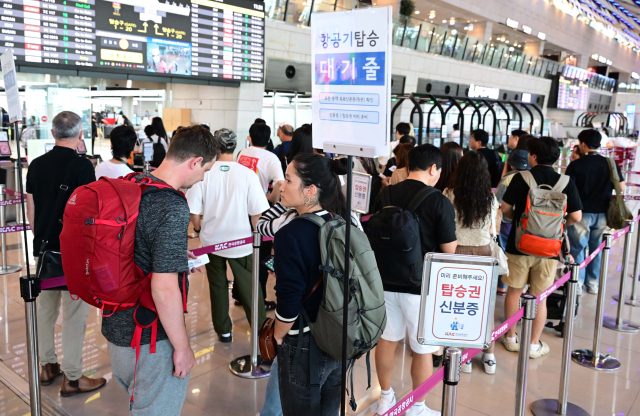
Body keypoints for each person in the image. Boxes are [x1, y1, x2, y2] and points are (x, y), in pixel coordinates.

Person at [102, 125, 221, 414]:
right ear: (194, 162)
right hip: (149, 339)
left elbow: (137, 248)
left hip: (117, 328)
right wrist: (182, 348)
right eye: (205, 170)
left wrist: (177, 259)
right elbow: (164, 288)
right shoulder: (171, 204)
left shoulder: (135, 182)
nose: (202, 177)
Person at [25, 111, 106, 396]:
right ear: (81, 134)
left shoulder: (35, 165)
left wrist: (39, 243)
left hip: (44, 252)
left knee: (45, 312)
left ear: (53, 133)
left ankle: (47, 366)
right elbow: (88, 213)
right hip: (72, 256)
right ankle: (72, 378)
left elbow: (31, 209)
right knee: (74, 316)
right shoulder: (83, 167)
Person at [373, 144, 456, 416]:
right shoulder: (438, 201)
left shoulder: (386, 193)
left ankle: (385, 397)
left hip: (383, 281)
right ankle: (416, 407)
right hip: (421, 287)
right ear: (433, 168)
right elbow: (449, 249)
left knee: (387, 340)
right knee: (423, 350)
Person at [273, 153, 353, 416]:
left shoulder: (290, 234)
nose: (280, 186)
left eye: (288, 180)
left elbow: (289, 299)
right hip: (339, 335)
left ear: (309, 190)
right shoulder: (339, 223)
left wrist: (278, 334)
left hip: (305, 343)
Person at [501, 137, 582, 358]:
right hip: (549, 249)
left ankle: (510, 338)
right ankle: (534, 344)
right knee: (540, 297)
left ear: (534, 156)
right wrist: (559, 225)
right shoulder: (565, 182)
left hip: (519, 245)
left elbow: (505, 208)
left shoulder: (521, 178)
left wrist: (518, 220)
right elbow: (576, 216)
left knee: (514, 292)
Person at [186, 128, 269, 343]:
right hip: (241, 243)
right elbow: (257, 214)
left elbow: (193, 211)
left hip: (211, 242)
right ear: (236, 145)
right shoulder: (247, 174)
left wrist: (197, 229)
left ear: (215, 146)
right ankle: (260, 330)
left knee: (217, 285)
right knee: (250, 288)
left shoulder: (204, 173)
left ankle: (223, 330)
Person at [443, 151, 499, 374]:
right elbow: (491, 228)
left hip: (455, 253)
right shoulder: (490, 197)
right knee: (484, 306)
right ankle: (489, 356)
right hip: (484, 254)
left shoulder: (449, 193)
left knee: (459, 304)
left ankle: (463, 356)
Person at [567, 129, 625, 294]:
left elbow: (568, 189)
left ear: (583, 144)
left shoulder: (576, 165)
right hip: (602, 213)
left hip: (580, 213)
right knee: (596, 250)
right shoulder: (610, 163)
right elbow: (620, 187)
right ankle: (593, 284)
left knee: (577, 249)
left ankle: (576, 283)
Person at [494, 150, 530, 296]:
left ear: (511, 164)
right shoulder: (531, 178)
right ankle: (524, 286)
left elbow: (498, 200)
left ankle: (502, 286)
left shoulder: (508, 178)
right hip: (527, 223)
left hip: (507, 222)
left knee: (504, 253)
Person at [236, 123, 285, 203]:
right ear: (269, 140)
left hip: (238, 200)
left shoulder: (239, 154)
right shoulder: (272, 158)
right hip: (259, 202)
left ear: (250, 138)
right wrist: (271, 198)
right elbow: (280, 182)